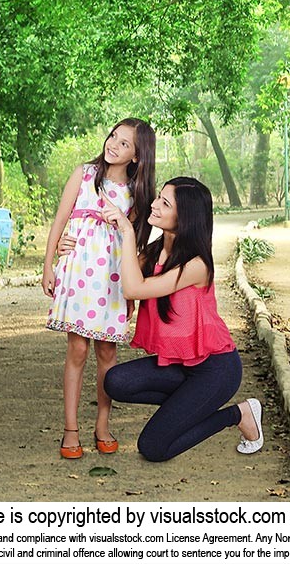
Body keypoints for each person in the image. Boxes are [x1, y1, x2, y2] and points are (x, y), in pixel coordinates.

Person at [98, 177, 263, 462]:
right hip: (180, 367)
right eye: (158, 198)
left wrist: (127, 230)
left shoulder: (197, 265)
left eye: (165, 202)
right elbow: (117, 274)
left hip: (216, 370)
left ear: (184, 216)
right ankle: (190, 407)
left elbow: (134, 288)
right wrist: (68, 248)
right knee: (115, 382)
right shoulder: (154, 252)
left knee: (153, 447)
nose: (154, 204)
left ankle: (238, 414)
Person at [43, 118, 156, 459]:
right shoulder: (85, 174)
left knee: (107, 353)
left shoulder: (137, 193)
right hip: (79, 272)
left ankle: (102, 425)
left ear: (137, 156)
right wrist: (48, 264)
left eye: (124, 143)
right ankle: (70, 429)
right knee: (77, 351)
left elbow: (135, 245)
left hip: (112, 278)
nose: (113, 144)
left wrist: (132, 289)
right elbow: (60, 220)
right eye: (113, 136)